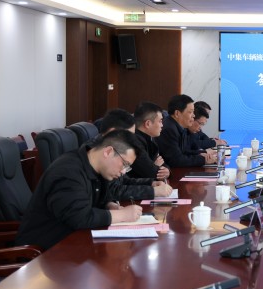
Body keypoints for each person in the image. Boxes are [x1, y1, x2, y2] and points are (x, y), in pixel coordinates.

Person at [16, 130, 145, 250]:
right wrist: (123, 215)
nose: (123, 172)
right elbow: (79, 218)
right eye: (125, 164)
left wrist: (109, 205)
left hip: (74, 245)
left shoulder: (98, 169)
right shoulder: (68, 171)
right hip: (43, 253)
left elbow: (99, 198)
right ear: (108, 152)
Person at [94, 108, 172, 200]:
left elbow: (123, 180)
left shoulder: (113, 149)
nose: (131, 140)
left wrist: (151, 183)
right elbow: (112, 191)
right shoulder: (99, 154)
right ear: (112, 132)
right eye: (128, 135)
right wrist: (152, 191)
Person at [157, 94, 217, 167]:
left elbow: (184, 151)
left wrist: (201, 153)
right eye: (190, 112)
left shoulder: (180, 127)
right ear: (177, 113)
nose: (193, 115)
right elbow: (176, 160)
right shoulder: (169, 129)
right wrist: (204, 160)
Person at [130, 102, 170, 181]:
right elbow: (151, 173)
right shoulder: (134, 141)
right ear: (148, 124)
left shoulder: (150, 137)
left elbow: (162, 162)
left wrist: (167, 171)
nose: (162, 125)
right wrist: (155, 166)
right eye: (160, 121)